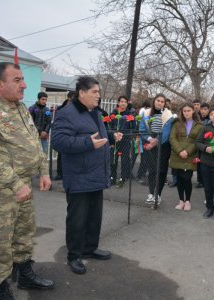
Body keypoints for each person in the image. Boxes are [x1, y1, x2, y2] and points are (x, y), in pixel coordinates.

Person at [0, 62, 55, 299]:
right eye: (17, 80)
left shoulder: (19, 108)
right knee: (0, 241)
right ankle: (0, 288)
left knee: (25, 232)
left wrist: (44, 171)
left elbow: (34, 142)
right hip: (0, 188)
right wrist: (16, 184)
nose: (24, 84)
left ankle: (25, 273)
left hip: (23, 183)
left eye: (22, 79)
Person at [51, 76, 123, 274]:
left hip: (97, 174)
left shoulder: (95, 113)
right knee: (77, 219)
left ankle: (90, 249)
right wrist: (87, 143)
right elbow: (59, 141)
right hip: (79, 176)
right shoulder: (66, 113)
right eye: (94, 92)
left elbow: (95, 134)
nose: (98, 96)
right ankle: (74, 255)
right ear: (81, 93)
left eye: (98, 92)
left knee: (94, 216)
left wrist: (109, 136)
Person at [139, 93, 175, 205]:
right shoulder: (146, 114)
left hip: (163, 146)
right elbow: (142, 129)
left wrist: (156, 142)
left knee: (162, 170)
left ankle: (157, 194)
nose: (160, 103)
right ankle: (150, 193)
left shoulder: (169, 116)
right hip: (150, 144)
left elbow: (166, 133)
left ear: (165, 104)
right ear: (154, 101)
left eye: (162, 101)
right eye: (158, 100)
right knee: (152, 170)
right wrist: (149, 139)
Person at [169, 103, 203, 211]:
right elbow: (172, 138)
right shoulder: (177, 123)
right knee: (179, 178)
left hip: (190, 155)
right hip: (177, 155)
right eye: (184, 111)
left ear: (193, 111)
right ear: (182, 112)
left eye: (188, 110)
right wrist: (179, 151)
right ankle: (181, 200)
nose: (187, 113)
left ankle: (187, 201)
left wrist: (187, 152)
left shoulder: (199, 125)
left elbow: (198, 141)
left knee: (187, 178)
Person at [109, 95, 136, 185]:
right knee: (113, 159)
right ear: (118, 103)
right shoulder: (113, 113)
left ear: (127, 103)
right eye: (121, 101)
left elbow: (133, 128)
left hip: (125, 140)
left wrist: (129, 134)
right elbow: (109, 127)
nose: (123, 103)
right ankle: (112, 177)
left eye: (125, 102)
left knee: (125, 160)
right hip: (114, 140)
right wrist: (113, 136)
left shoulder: (130, 114)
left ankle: (122, 178)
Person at [54, 91, 75, 181]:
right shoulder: (60, 109)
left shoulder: (77, 109)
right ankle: (60, 173)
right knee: (61, 155)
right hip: (62, 134)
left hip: (73, 134)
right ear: (69, 98)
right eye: (74, 97)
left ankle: (69, 174)